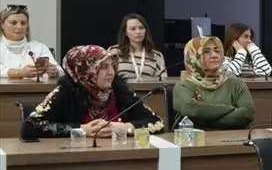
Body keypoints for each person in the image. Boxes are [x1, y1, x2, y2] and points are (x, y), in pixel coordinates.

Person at [21, 45, 164, 139]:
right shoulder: (65, 92)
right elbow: (30, 126)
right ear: (85, 71)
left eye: (112, 66)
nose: (111, 72)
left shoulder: (119, 90)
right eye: (103, 67)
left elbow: (157, 122)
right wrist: (82, 130)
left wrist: (125, 127)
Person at [172, 36, 256, 129]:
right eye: (206, 52)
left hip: (234, 137)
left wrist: (202, 122)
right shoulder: (184, 86)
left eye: (217, 51)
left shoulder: (236, 84)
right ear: (193, 56)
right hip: (198, 138)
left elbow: (247, 113)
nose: (214, 55)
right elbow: (191, 110)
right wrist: (230, 108)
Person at [1, 4, 59, 79]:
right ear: (2, 24)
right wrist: (20, 73)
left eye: (23, 23)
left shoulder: (40, 47)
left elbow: (61, 72)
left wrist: (55, 72)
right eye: (13, 23)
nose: (19, 27)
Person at [110, 13, 167, 81]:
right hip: (121, 88)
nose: (138, 32)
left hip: (148, 88)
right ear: (125, 32)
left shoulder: (156, 55)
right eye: (133, 29)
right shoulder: (114, 51)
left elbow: (163, 82)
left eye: (141, 28)